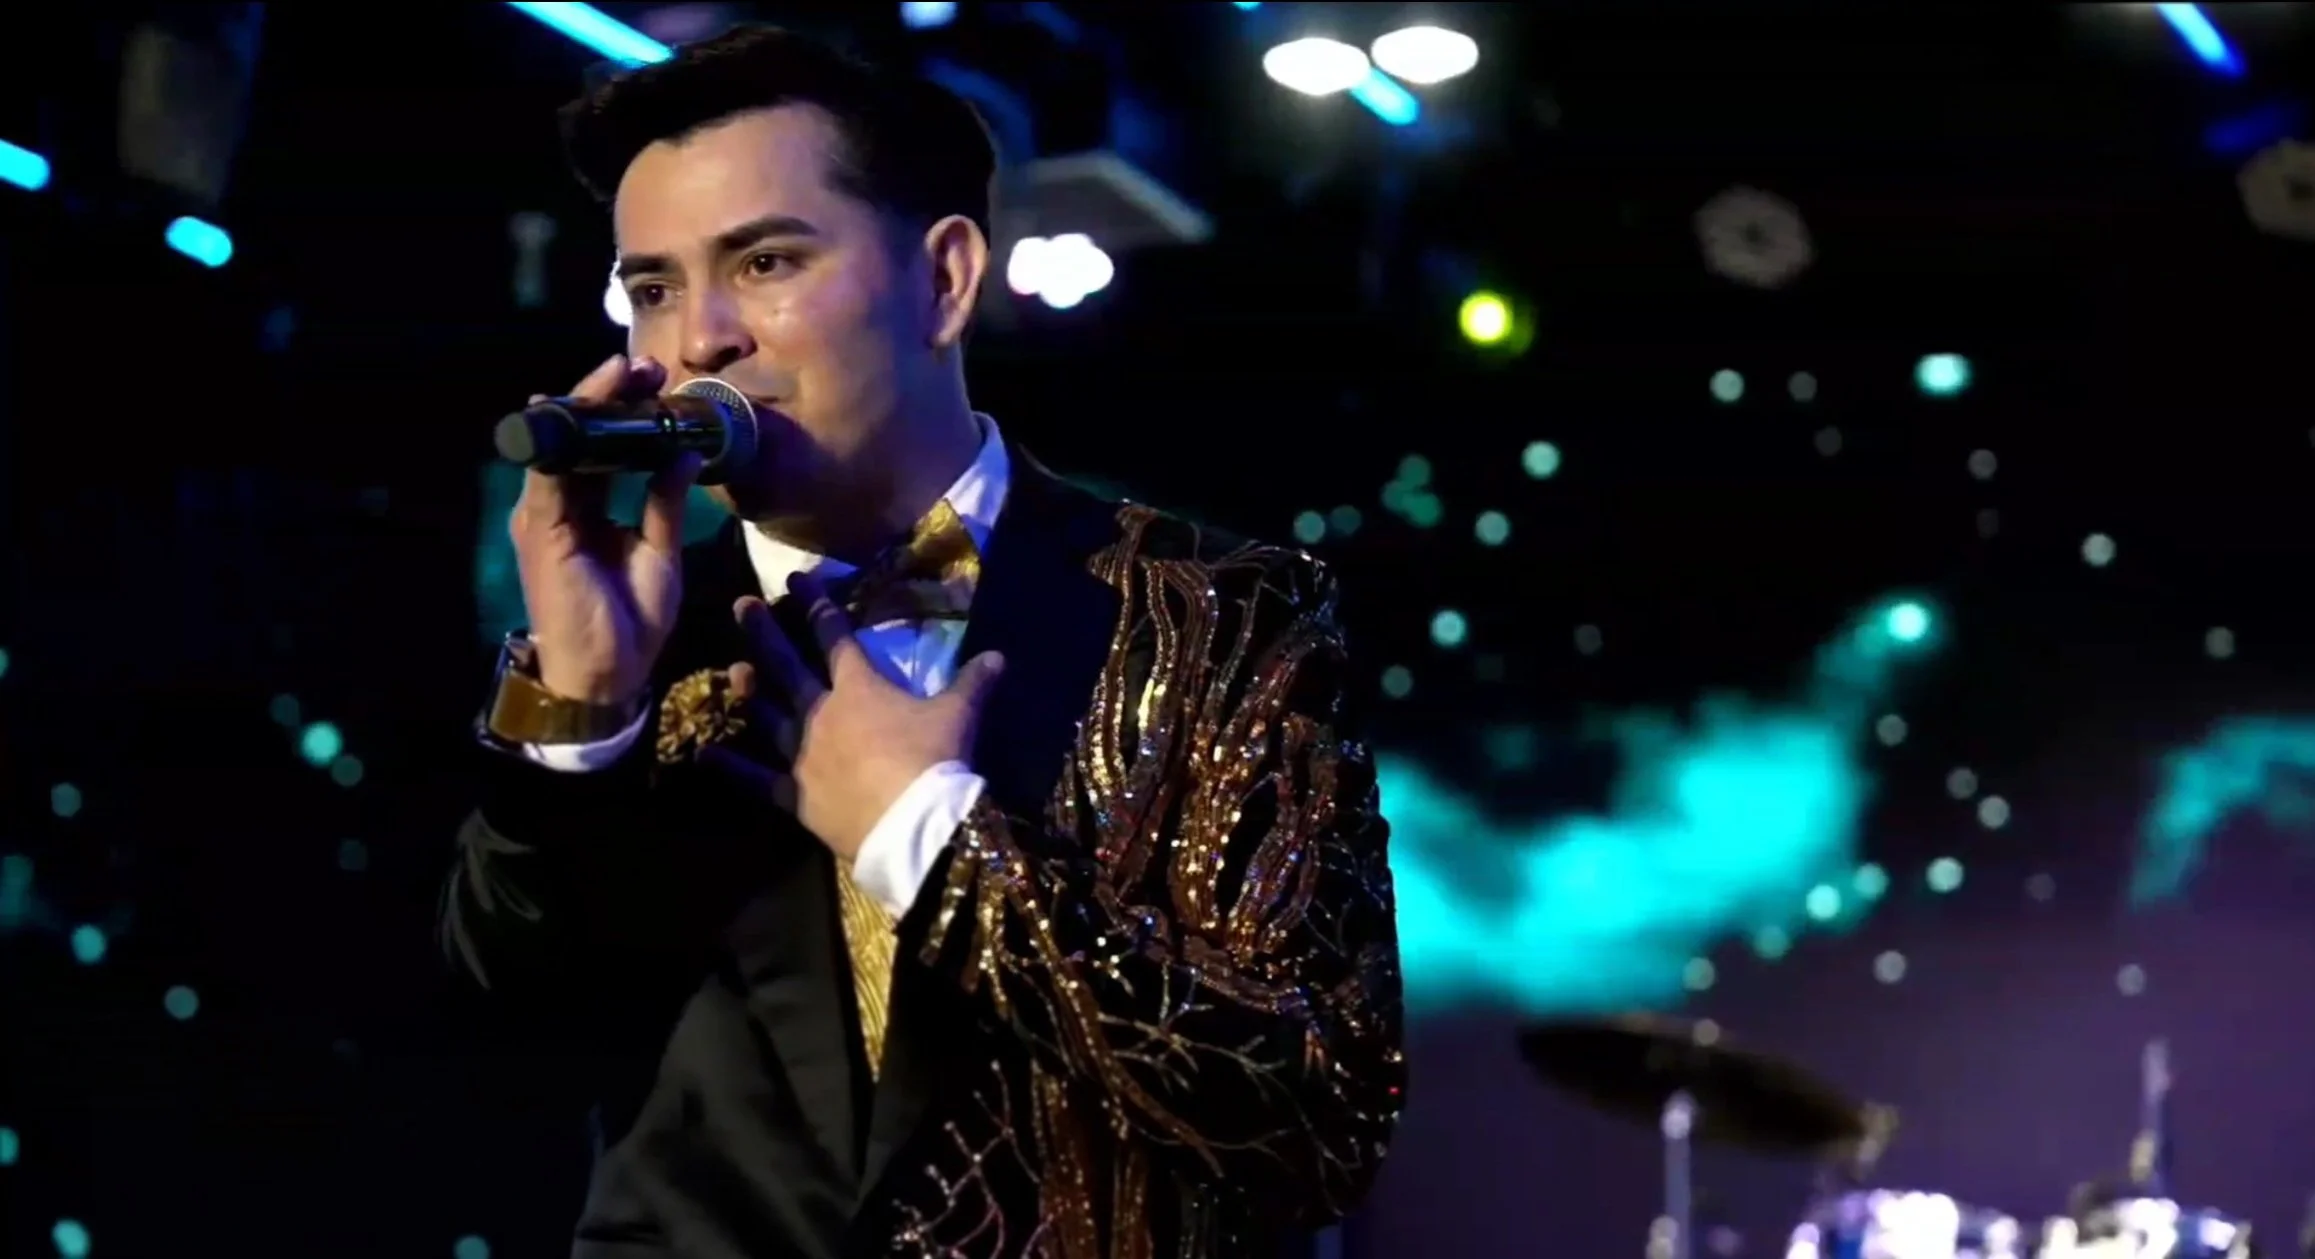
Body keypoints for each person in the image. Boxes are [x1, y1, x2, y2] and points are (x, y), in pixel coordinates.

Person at [441, 24, 1404, 1259]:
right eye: (652, 290)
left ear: (943, 279)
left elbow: (1315, 1119)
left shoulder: (1219, 611)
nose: (695, 344)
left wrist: (928, 838)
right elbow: (492, 1041)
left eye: (766, 260)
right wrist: (576, 714)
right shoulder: (634, 630)